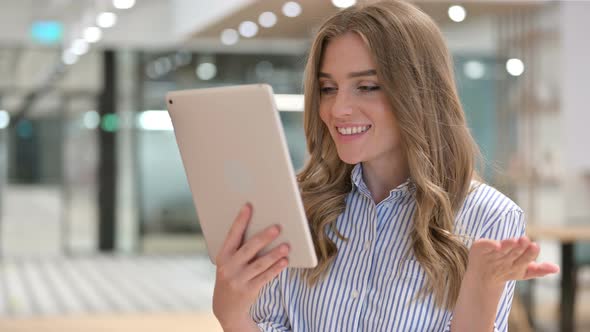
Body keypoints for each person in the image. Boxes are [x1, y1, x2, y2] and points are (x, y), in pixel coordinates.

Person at [211, 1, 560, 331]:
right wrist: (232, 313)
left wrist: (480, 290)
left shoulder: (489, 218)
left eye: (366, 86)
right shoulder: (299, 205)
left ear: (420, 92)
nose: (338, 109)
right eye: (328, 88)